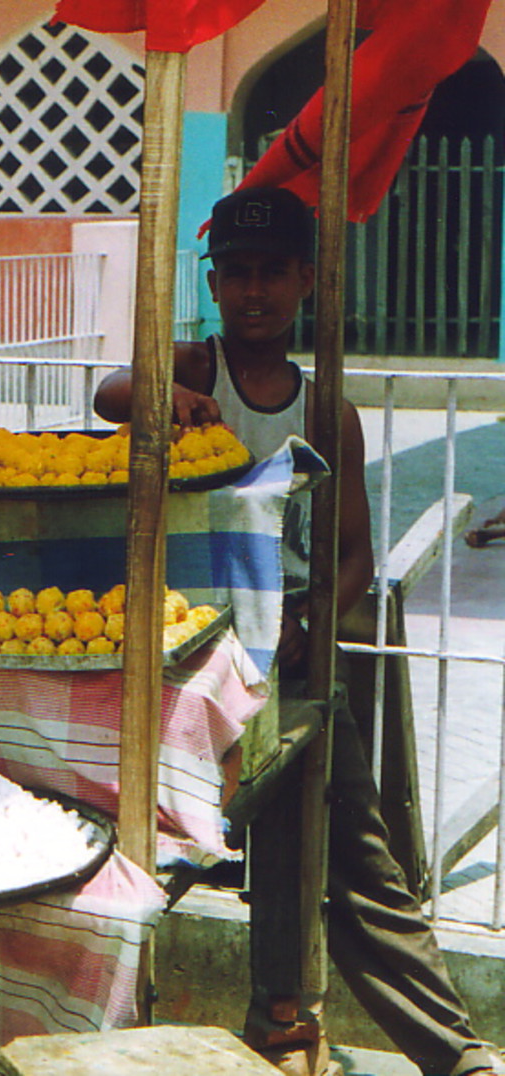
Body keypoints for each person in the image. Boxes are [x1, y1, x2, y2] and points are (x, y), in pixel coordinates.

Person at [94, 186, 501, 1076]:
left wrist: (311, 620)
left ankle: (452, 1051)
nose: (254, 292)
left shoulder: (327, 413)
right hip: (191, 660)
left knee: (349, 860)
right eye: (236, 273)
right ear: (213, 282)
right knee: (166, 850)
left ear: (305, 284)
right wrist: (166, 398)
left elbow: (354, 553)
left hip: (294, 661)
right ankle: (212, 1032)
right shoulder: (193, 369)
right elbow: (108, 391)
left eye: (273, 273)